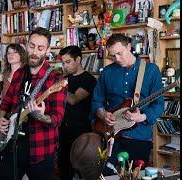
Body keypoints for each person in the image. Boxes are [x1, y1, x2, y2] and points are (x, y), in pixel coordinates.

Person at [0, 27, 67, 180]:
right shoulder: (19, 73)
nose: (35, 52)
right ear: (26, 45)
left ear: (47, 50)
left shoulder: (55, 79)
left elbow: (57, 118)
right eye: (32, 46)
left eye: (40, 48)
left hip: (40, 149)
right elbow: (5, 104)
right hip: (12, 144)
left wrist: (40, 116)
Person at [90, 33, 165, 175]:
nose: (117, 59)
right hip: (110, 135)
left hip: (139, 136)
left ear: (129, 47)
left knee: (135, 175)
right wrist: (103, 113)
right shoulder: (107, 72)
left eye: (120, 53)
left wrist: (141, 117)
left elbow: (159, 104)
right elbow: (96, 101)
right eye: (113, 56)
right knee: (106, 175)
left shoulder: (151, 71)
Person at [57, 45, 97, 180]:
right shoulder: (64, 78)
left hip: (80, 131)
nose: (65, 66)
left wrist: (57, 86)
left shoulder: (89, 79)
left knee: (80, 168)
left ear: (78, 59)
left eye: (68, 62)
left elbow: (73, 99)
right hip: (62, 129)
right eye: (63, 63)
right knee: (63, 167)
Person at [0, 43, 28, 137]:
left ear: (22, 55)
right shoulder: (2, 77)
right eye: (8, 53)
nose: (11, 55)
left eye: (15, 52)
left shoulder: (26, 75)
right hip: (4, 118)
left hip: (20, 117)